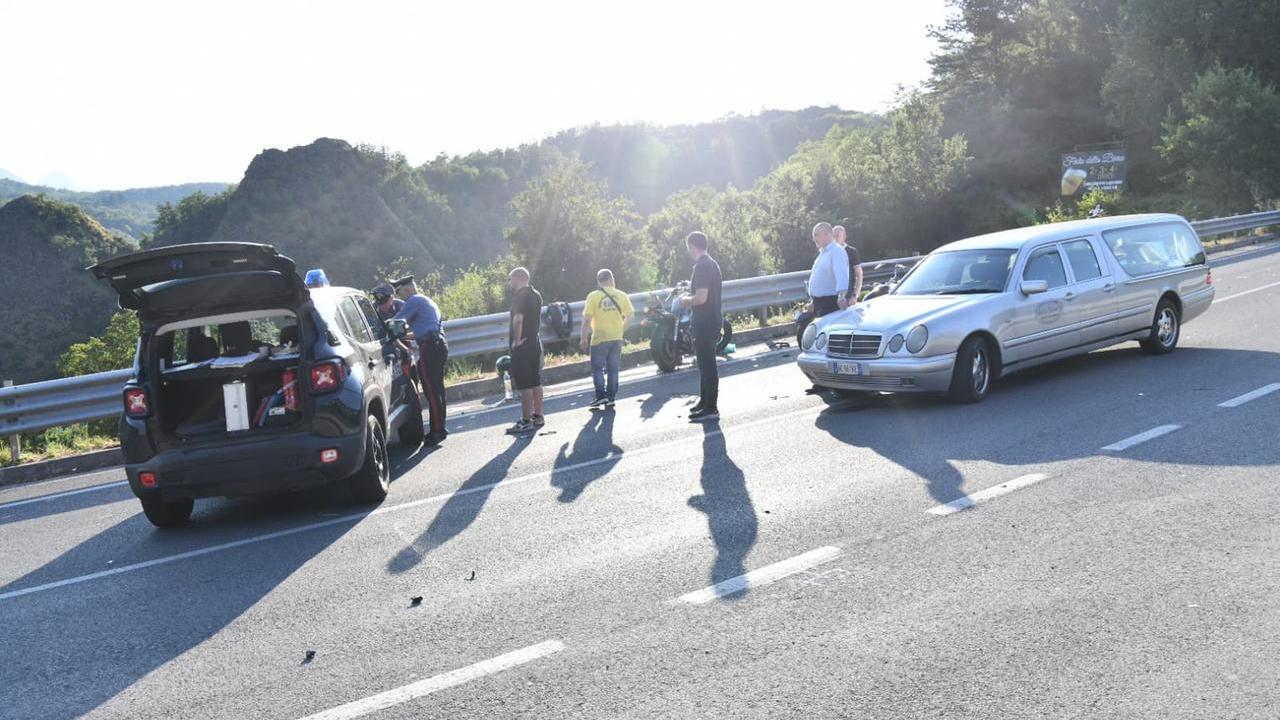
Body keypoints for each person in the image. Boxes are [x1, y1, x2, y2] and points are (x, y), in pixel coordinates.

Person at [392, 276, 448, 445]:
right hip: (438, 344)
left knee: (431, 390)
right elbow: (422, 328)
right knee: (438, 389)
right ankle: (439, 428)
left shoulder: (414, 300)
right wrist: (404, 335)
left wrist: (386, 331)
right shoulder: (425, 300)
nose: (398, 296)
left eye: (399, 291)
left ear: (407, 288)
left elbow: (395, 322)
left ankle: (437, 431)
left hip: (429, 347)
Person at [680, 231, 722, 422]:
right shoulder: (712, 263)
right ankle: (704, 402)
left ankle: (711, 407)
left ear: (692, 246)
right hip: (711, 320)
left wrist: (686, 300)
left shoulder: (701, 266)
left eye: (688, 247)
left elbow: (701, 298)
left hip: (705, 322)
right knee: (704, 364)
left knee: (707, 365)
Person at [580, 268, 634, 409]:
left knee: (598, 369)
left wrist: (583, 338)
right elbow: (630, 316)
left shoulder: (593, 296)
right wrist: (620, 330)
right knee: (613, 369)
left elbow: (586, 319)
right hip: (616, 338)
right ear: (612, 279)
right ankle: (611, 397)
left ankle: (600, 397)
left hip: (599, 338)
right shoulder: (622, 295)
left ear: (598, 282)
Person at [795, 221, 850, 353]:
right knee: (806, 336)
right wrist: (813, 301)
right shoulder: (823, 253)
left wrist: (842, 296)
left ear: (826, 234)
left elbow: (842, 276)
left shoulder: (836, 251)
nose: (814, 238)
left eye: (816, 234)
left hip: (831, 303)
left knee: (826, 342)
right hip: (819, 302)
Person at [506, 267, 545, 435]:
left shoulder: (520, 296)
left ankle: (526, 421)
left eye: (510, 279)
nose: (510, 282)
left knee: (525, 384)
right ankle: (538, 416)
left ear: (518, 278)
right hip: (535, 342)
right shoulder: (536, 294)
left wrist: (516, 341)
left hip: (523, 346)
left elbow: (518, 320)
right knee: (536, 381)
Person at [833, 224, 864, 304]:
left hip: (847, 297)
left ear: (844, 236)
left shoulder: (851, 252)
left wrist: (855, 295)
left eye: (837, 236)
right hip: (831, 297)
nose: (835, 239)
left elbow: (859, 275)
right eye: (833, 236)